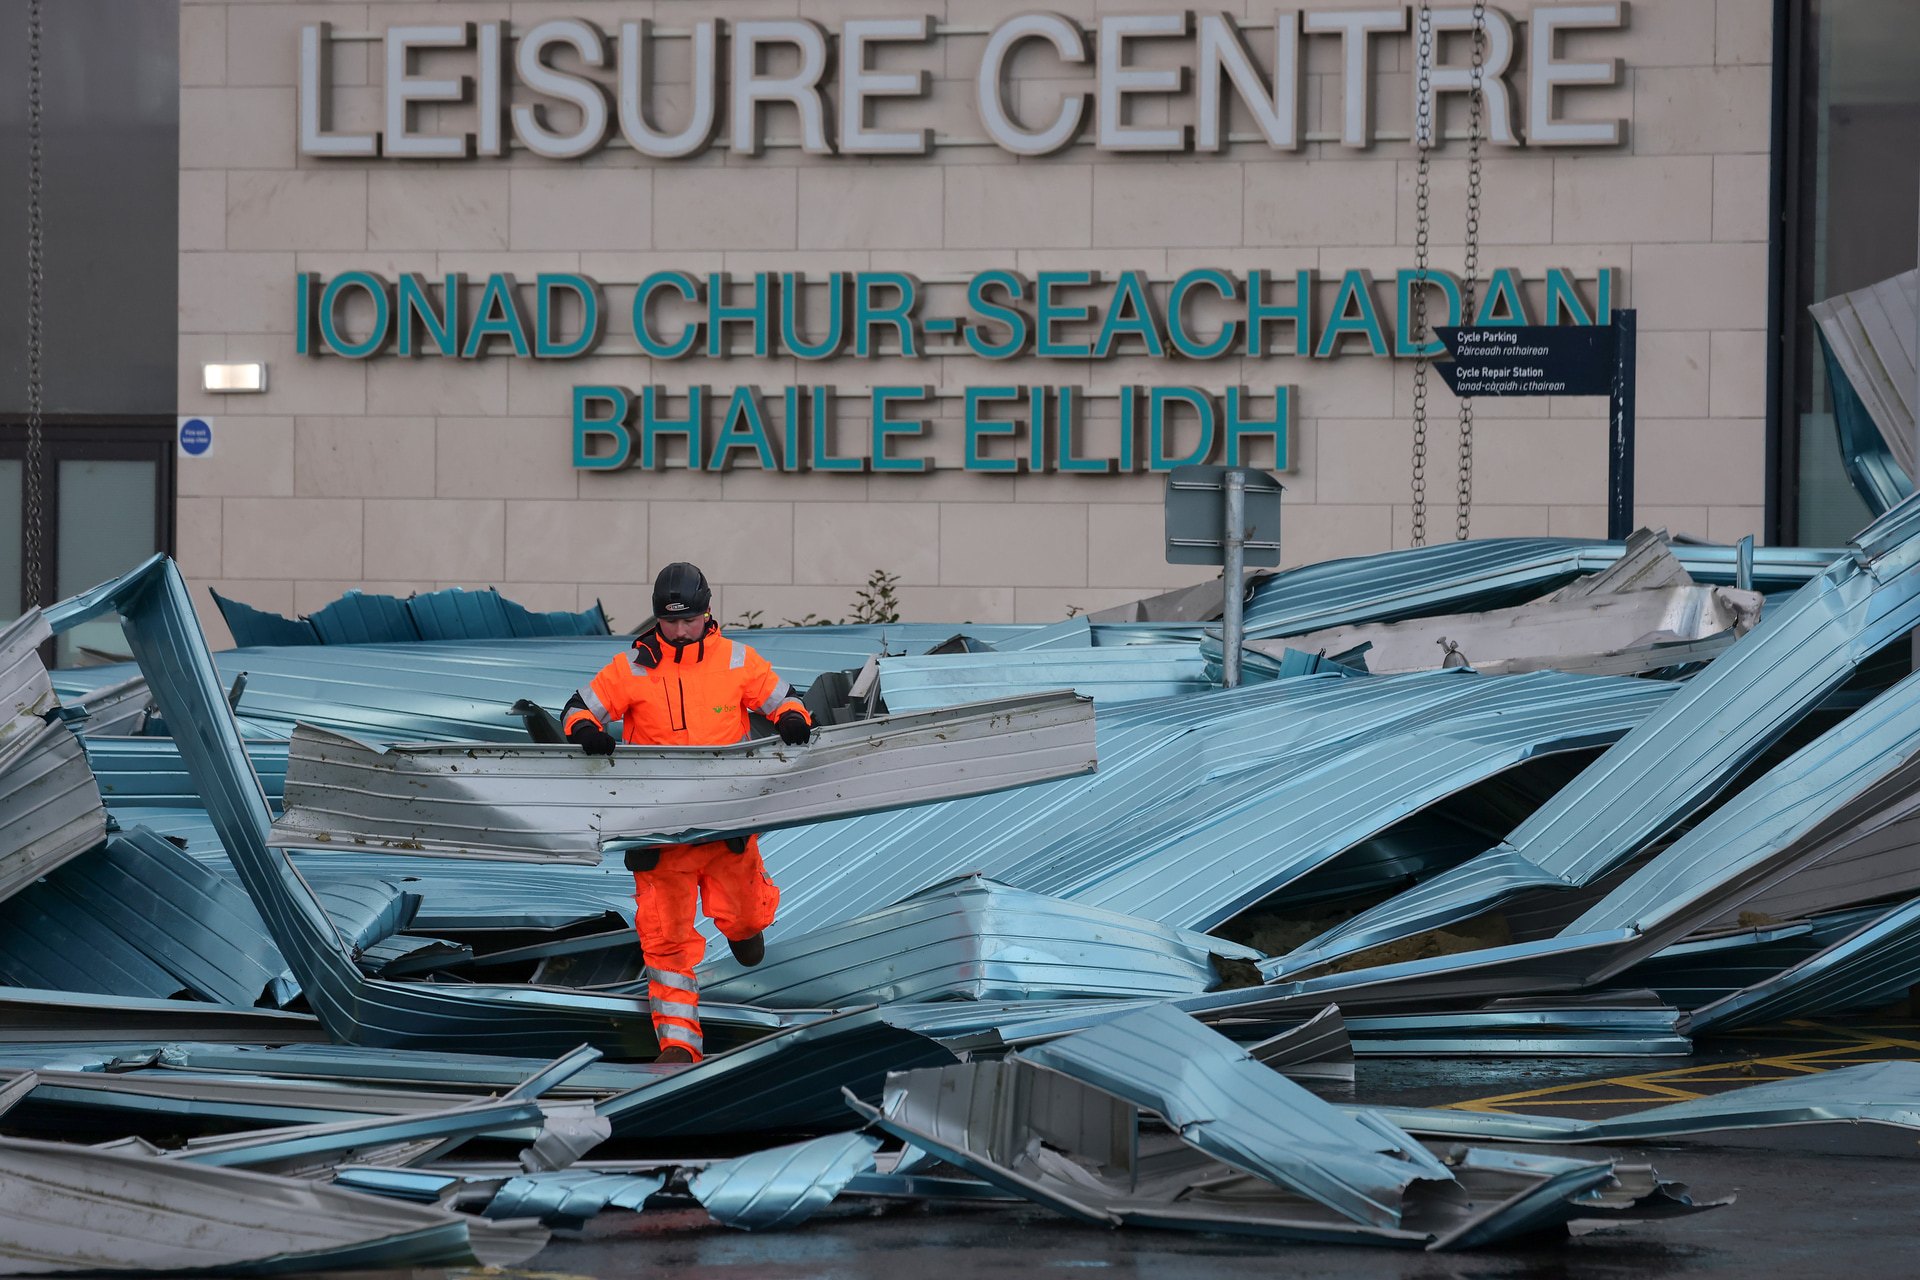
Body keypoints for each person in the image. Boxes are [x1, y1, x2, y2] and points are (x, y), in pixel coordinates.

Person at [561, 562, 811, 1064]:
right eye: (669, 621)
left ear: (707, 613)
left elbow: (788, 701)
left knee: (743, 916)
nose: (678, 630)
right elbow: (573, 709)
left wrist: (790, 718)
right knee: (666, 945)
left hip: (726, 826)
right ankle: (678, 1046)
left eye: (688, 620)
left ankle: (746, 931)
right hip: (659, 835)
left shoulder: (738, 660)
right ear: (657, 618)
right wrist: (587, 731)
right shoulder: (629, 669)